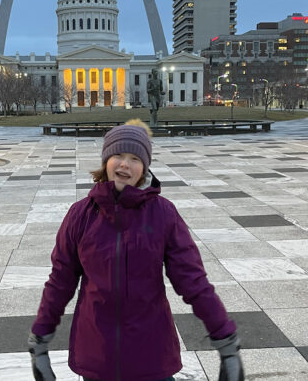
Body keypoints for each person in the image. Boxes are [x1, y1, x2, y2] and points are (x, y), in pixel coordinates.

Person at [28, 119, 244, 381]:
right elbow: (60, 281)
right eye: (118, 155)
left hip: (151, 357)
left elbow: (193, 281)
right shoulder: (80, 215)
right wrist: (40, 341)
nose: (124, 164)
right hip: (98, 356)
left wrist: (226, 343)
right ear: (106, 161)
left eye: (134, 158)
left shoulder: (163, 214)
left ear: (144, 168)